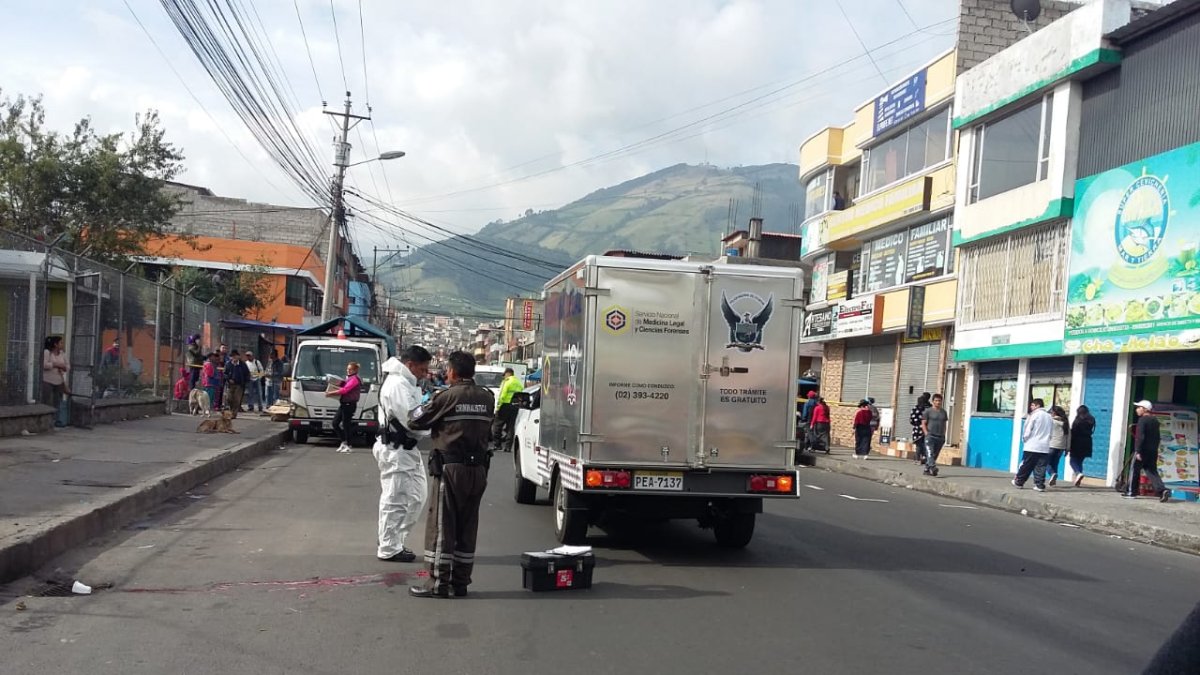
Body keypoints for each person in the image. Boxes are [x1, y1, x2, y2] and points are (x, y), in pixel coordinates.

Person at [408, 350, 495, 599]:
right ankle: (460, 582)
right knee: (468, 525)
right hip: (478, 470)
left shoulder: (446, 396)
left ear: (453, 372)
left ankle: (438, 584)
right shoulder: (487, 398)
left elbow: (415, 419)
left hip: (450, 469)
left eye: (447, 370)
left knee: (442, 525)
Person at [374, 346, 434, 563]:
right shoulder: (398, 385)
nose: (425, 374)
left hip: (407, 449)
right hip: (396, 449)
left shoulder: (406, 383)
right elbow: (413, 420)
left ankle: (394, 540)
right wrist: (433, 422)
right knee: (396, 498)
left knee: (417, 497)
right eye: (423, 369)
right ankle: (388, 546)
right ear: (410, 365)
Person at [1126, 400, 1170, 502]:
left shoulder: (1142, 420)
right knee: (1151, 471)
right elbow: (1157, 437)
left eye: (1139, 407)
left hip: (1142, 450)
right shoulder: (1155, 421)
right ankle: (1162, 490)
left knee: (1134, 470)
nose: (1137, 410)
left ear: (1145, 409)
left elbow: (1140, 437)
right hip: (1153, 450)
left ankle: (1131, 491)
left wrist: (1138, 451)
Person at [1014, 398, 1053, 492]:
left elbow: (1028, 429)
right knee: (1041, 466)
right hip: (1044, 446)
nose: (1031, 407)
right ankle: (1039, 485)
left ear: (1038, 406)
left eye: (1032, 405)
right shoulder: (1049, 416)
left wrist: (1024, 439)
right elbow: (1051, 432)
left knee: (1027, 465)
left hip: (1032, 445)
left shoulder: (1034, 415)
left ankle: (1019, 481)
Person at [328, 361, 362, 453]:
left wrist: (331, 393)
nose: (348, 371)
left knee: (346, 425)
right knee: (335, 423)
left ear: (355, 370)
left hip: (349, 404)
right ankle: (344, 442)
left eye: (350, 369)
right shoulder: (348, 378)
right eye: (347, 369)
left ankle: (349, 445)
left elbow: (345, 390)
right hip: (343, 403)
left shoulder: (354, 379)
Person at [490, 367, 523, 454]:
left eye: (504, 375)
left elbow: (502, 395)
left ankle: (497, 445)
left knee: (497, 425)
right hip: (515, 406)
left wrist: (497, 408)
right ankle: (508, 447)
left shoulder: (507, 381)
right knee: (510, 426)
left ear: (508, 373)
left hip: (504, 405)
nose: (504, 377)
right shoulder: (518, 382)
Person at [42, 336, 70, 427]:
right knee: (46, 399)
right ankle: (45, 419)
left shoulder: (62, 354)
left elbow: (67, 366)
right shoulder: (47, 352)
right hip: (47, 380)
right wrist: (55, 364)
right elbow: (44, 365)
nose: (62, 344)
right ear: (55, 344)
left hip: (59, 380)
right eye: (61, 343)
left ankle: (57, 420)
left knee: (58, 400)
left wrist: (64, 367)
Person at [922, 393, 950, 476]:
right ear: (933, 401)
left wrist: (944, 434)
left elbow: (944, 424)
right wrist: (926, 433)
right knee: (930, 452)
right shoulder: (928, 411)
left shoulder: (943, 412)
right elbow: (923, 423)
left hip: (940, 437)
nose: (938, 402)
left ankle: (927, 469)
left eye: (939, 401)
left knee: (935, 454)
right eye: (936, 401)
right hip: (930, 436)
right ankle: (933, 467)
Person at [1069, 405, 1096, 486]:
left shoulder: (1078, 420)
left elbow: (1073, 432)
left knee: (1072, 460)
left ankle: (1078, 473)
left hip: (1077, 442)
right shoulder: (1091, 420)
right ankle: (1078, 479)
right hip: (1087, 442)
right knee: (1080, 461)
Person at [1047, 405, 1070, 486]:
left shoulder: (1051, 421)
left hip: (1052, 445)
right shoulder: (1065, 422)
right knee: (1055, 463)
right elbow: (1068, 436)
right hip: (1062, 447)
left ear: (1054, 413)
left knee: (1046, 462)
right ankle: (1053, 480)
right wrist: (1067, 448)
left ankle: (1052, 474)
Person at [224, 350, 250, 419]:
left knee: (237, 399)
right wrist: (228, 379)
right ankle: (231, 410)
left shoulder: (242, 364)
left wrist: (245, 382)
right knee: (229, 398)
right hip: (230, 384)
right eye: (232, 356)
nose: (234, 357)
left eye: (235, 356)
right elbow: (225, 373)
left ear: (238, 356)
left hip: (239, 385)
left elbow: (247, 374)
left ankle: (233, 414)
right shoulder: (228, 364)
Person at [910, 392, 931, 465]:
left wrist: (918, 424)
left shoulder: (916, 408)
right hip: (928, 429)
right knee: (926, 444)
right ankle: (925, 458)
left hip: (918, 430)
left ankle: (918, 459)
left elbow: (912, 419)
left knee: (919, 444)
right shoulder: (930, 407)